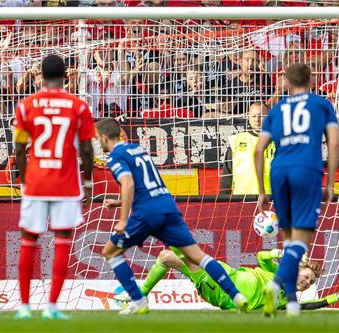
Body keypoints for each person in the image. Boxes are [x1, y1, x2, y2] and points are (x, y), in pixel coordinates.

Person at [95, 118, 249, 315]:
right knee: (199, 256)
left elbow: (128, 183)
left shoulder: (115, 156)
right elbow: (147, 184)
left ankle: (138, 300)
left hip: (147, 212)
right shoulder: (138, 149)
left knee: (110, 252)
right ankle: (236, 296)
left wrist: (123, 218)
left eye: (97, 138)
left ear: (104, 137)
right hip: (166, 205)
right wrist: (119, 202)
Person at [12, 54, 95, 320]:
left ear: (41, 77)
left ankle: (24, 307)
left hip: (36, 182)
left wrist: (24, 179)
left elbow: (19, 148)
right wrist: (89, 180)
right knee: (62, 242)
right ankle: (52, 306)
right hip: (66, 183)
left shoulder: (26, 106)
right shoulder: (78, 106)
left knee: (28, 241)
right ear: (66, 76)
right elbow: (86, 148)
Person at [254, 63, 339, 317]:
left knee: (289, 239)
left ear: (287, 83)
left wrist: (261, 190)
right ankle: (276, 285)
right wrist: (331, 183)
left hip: (278, 171)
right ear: (311, 80)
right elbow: (333, 143)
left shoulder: (278, 108)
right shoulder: (322, 105)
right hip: (306, 170)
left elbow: (258, 150)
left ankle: (290, 300)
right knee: (300, 243)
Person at [115, 248, 339, 311]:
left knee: (169, 255)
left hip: (225, 292)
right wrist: (276, 253)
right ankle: (141, 294)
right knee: (171, 251)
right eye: (307, 277)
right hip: (226, 273)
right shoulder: (276, 272)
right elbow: (261, 256)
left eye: (310, 283)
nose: (306, 282)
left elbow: (308, 306)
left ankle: (140, 295)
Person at [220, 102, 275, 195]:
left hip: (272, 201)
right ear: (248, 118)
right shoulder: (236, 141)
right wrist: (223, 202)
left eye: (261, 116)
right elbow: (227, 176)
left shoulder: (278, 142)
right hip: (242, 202)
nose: (257, 120)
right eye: (253, 116)